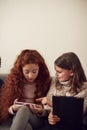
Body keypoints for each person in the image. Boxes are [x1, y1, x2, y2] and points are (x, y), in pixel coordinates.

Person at [0, 49, 51, 130]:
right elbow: (6, 109)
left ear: (40, 69)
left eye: (34, 71)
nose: (30, 76)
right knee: (27, 127)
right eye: (26, 72)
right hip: (19, 117)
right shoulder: (14, 82)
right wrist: (12, 108)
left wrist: (41, 111)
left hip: (37, 118)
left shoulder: (45, 82)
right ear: (21, 70)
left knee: (24, 109)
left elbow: (49, 110)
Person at [37, 52, 87, 130]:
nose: (56, 74)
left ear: (72, 72)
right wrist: (50, 115)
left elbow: (76, 114)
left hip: (73, 126)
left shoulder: (84, 88)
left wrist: (52, 104)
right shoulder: (54, 81)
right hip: (53, 125)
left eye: (59, 72)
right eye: (55, 71)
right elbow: (48, 111)